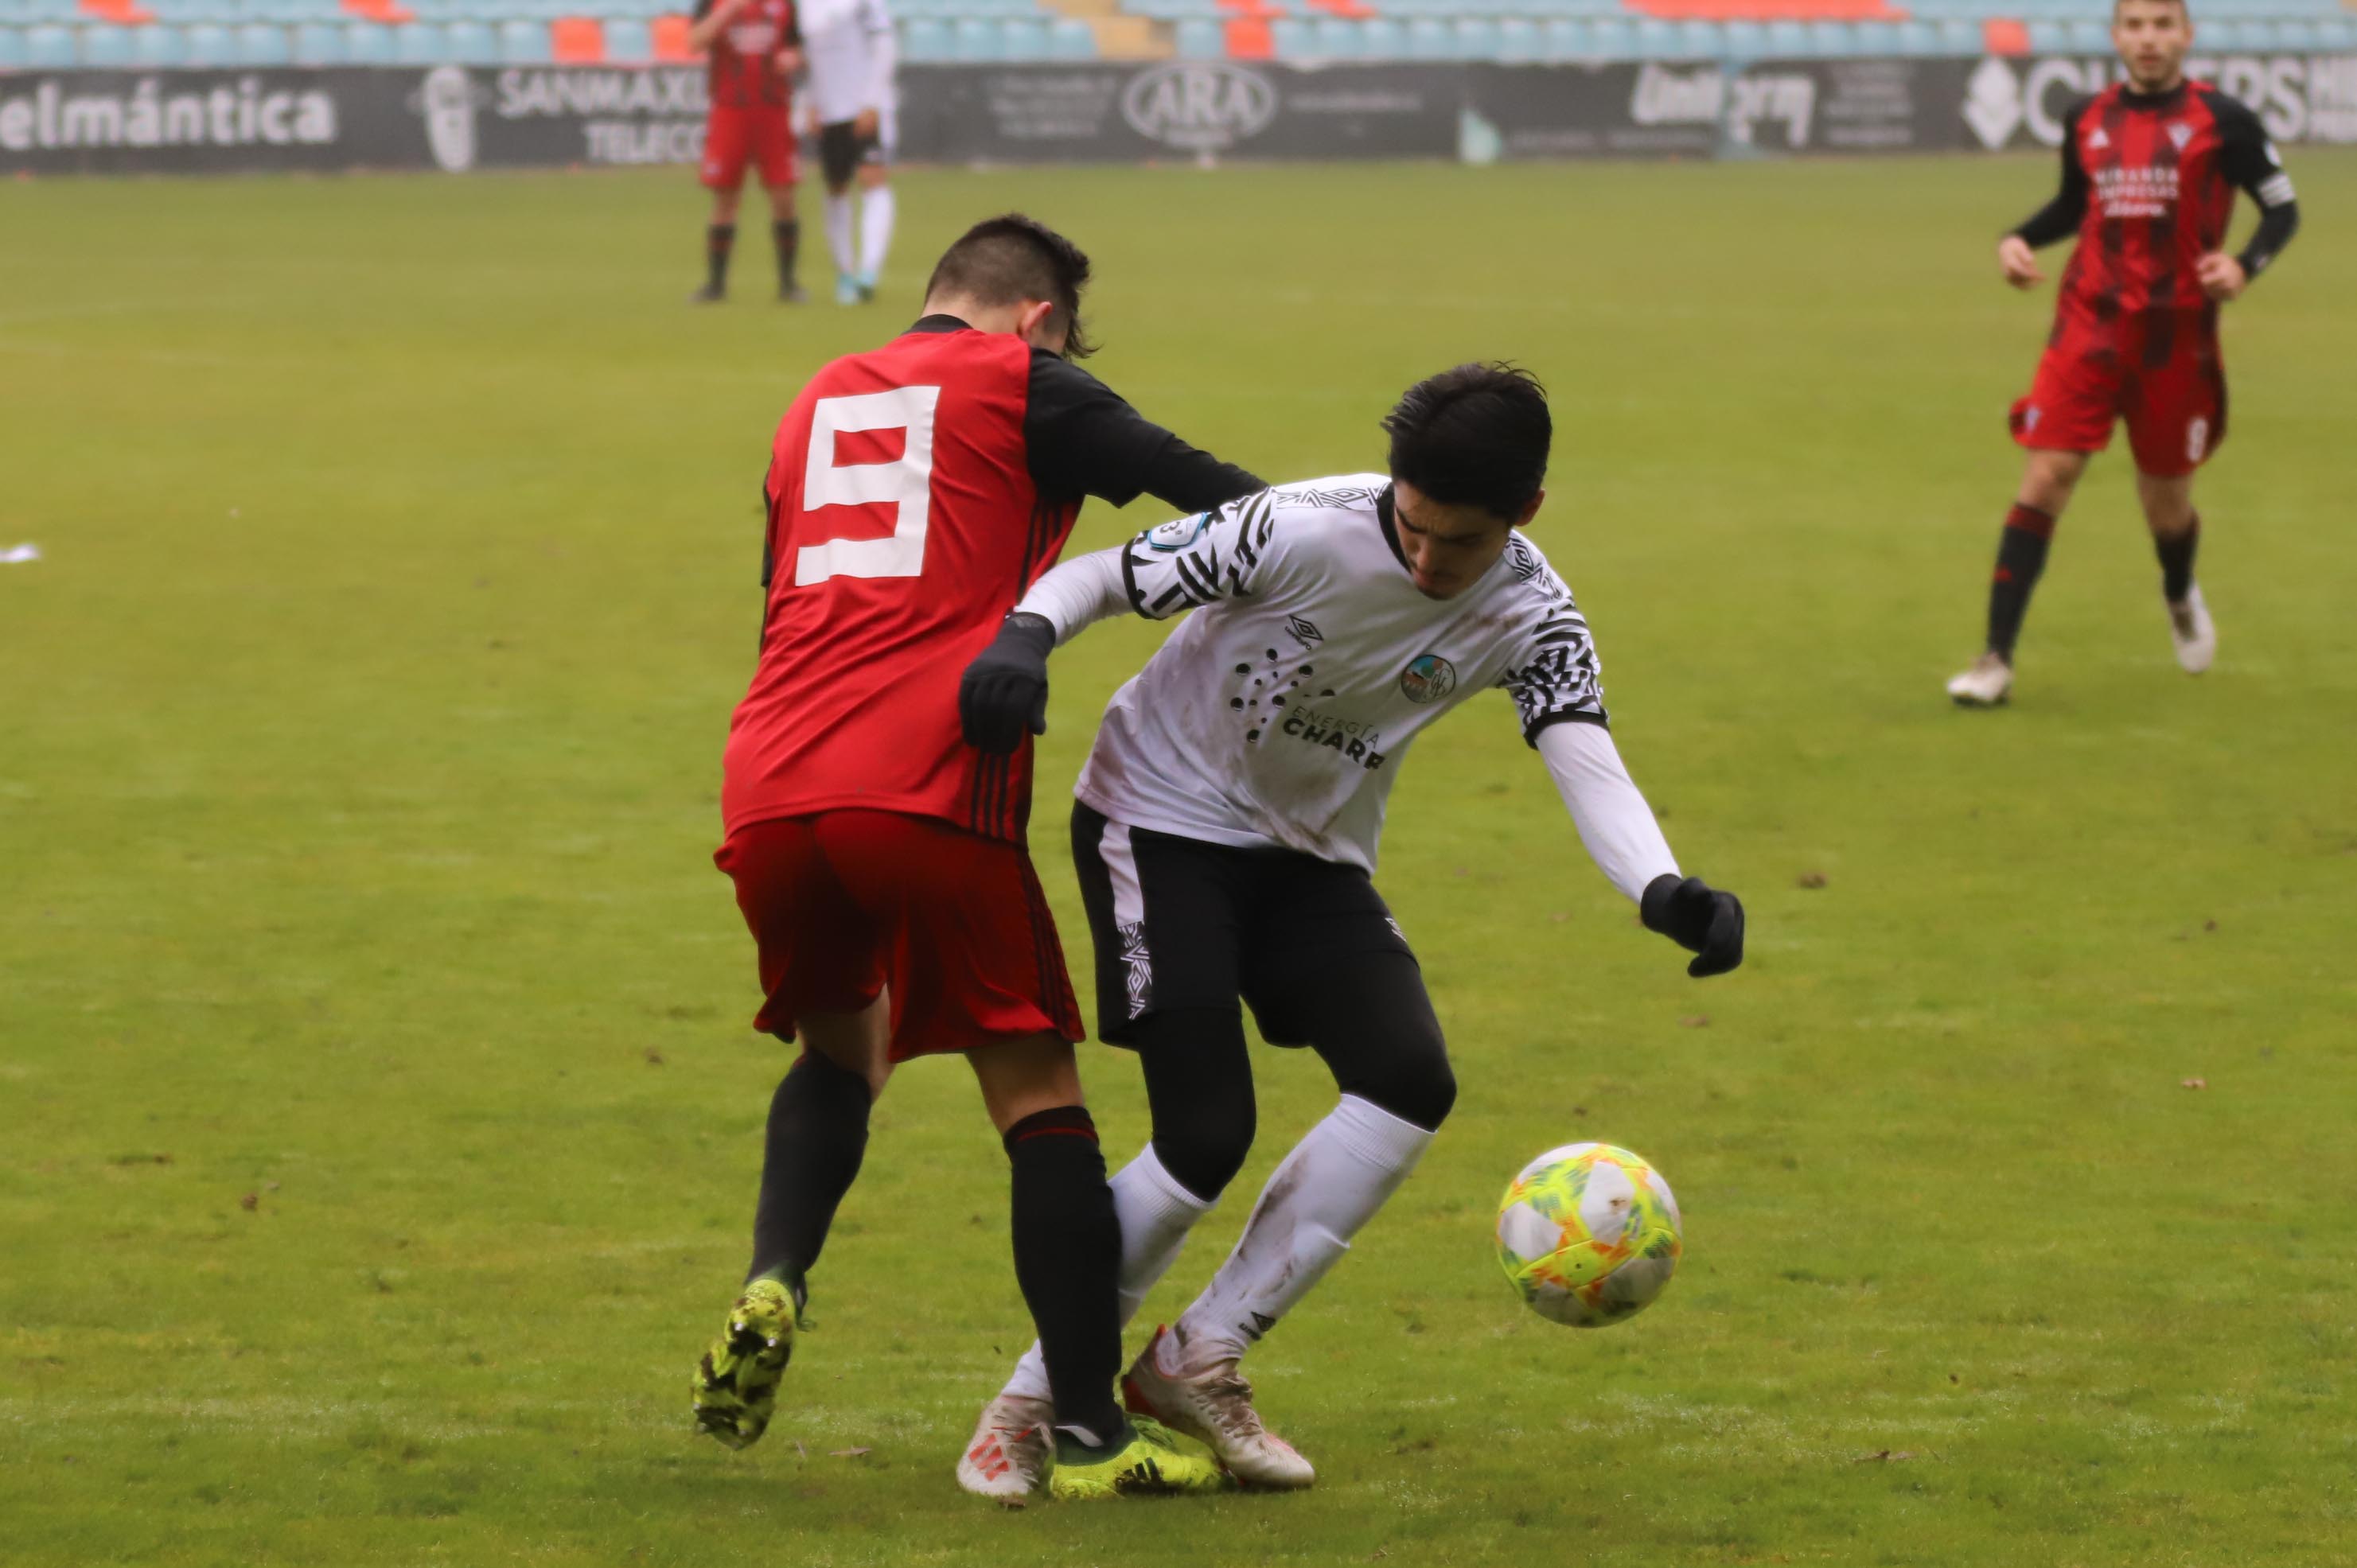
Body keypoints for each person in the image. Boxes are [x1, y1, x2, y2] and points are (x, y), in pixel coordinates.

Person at [952, 364, 1746, 1500]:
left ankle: (1197, 1357)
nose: (1426, 561)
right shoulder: (1295, 525)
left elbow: (1580, 748)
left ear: (1523, 513)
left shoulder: (1534, 611)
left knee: (1407, 1075)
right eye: (1412, 527)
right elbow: (1103, 574)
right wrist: (1024, 639)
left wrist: (1661, 887)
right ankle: (1032, 1399)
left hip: (1308, 853)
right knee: (1204, 1130)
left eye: (1457, 544)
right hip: (1156, 816)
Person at [693, 214, 1264, 1500]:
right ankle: (1086, 1437)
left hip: (772, 782)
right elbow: (1220, 497)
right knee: (1037, 1099)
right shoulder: (1029, 382)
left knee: (843, 1050)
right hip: (923, 783)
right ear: (1041, 319)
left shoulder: (814, 399)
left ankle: (775, 1278)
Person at [1946, 0, 2300, 706]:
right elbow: (2077, 205)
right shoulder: (2087, 116)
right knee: (2047, 475)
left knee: (2165, 504)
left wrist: (2244, 265)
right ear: (2115, 36)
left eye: (2162, 24)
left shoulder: (2223, 120)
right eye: (2135, 25)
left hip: (2177, 340)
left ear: (2186, 36)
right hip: (2089, 326)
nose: (2148, 38)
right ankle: (1995, 659)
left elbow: (2281, 208)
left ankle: (2176, 589)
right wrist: (2019, 239)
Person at [688, 0, 806, 304]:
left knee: (783, 196)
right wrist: (728, 11)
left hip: (773, 108)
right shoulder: (713, 3)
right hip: (730, 109)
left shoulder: (785, 5)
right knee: (725, 198)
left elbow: (800, 48)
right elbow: (694, 42)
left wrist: (794, 58)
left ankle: (788, 284)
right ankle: (715, 285)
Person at [797, 0, 899, 305]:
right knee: (836, 188)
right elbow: (809, 57)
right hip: (829, 111)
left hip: (863, 106)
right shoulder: (804, 6)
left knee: (873, 179)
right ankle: (845, 272)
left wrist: (872, 100)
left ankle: (869, 270)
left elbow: (885, 46)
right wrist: (810, 101)